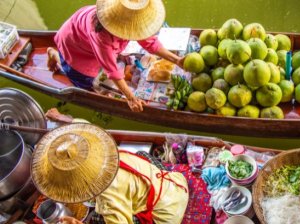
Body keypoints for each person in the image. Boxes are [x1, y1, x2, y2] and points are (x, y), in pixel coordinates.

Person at [32, 123, 189, 224]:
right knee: (141, 154)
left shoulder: (108, 200)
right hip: (175, 183)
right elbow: (78, 125)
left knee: (98, 219)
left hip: (170, 213)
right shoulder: (106, 152)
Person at [47, 0, 184, 112]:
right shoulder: (101, 35)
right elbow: (112, 71)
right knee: (87, 83)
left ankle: (58, 55)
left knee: (111, 61)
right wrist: (131, 98)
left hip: (88, 40)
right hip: (74, 47)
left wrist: (177, 60)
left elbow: (150, 43)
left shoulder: (128, 20)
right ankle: (56, 56)